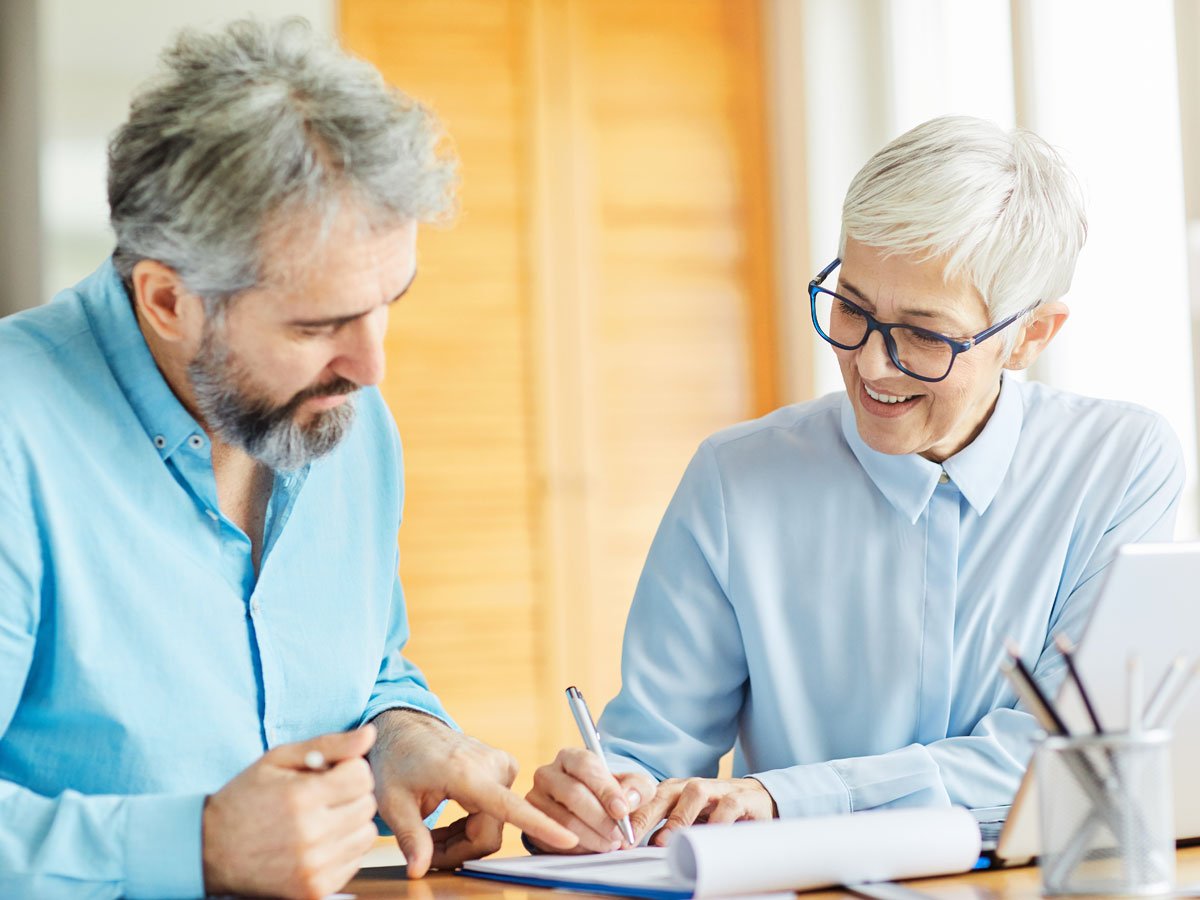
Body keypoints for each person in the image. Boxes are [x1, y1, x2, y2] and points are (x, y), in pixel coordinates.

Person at [0, 17, 577, 899]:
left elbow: (364, 660)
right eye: (316, 326)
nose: (372, 367)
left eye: (388, 302)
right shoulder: (14, 429)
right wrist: (196, 846)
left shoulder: (344, 412)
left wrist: (402, 732)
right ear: (167, 300)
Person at [525, 115, 1186, 853]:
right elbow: (652, 760)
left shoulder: (1120, 461)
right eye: (853, 307)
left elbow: (1068, 750)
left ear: (1030, 336)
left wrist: (783, 798)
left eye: (925, 333)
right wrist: (599, 803)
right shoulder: (736, 479)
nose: (871, 365)